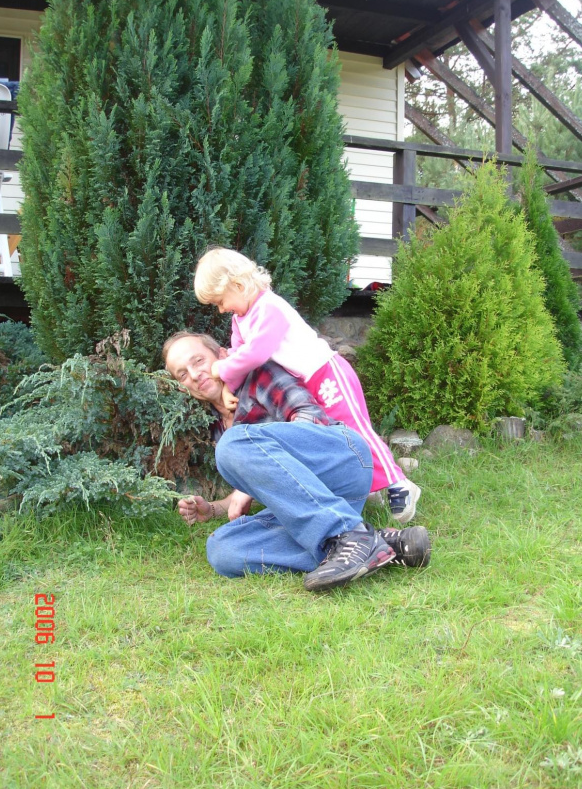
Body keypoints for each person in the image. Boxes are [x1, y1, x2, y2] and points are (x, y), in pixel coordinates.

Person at [163, 331, 431, 592]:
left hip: (341, 458)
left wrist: (241, 467)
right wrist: (212, 510)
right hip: (324, 504)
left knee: (231, 446)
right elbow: (278, 487)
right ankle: (377, 543)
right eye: (182, 374)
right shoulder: (218, 427)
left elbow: (309, 417)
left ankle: (347, 535)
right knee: (223, 550)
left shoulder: (257, 375)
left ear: (222, 355)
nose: (194, 374)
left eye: (198, 361)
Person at [193, 246, 422, 524]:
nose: (220, 309)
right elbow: (240, 357)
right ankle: (368, 484)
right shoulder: (240, 320)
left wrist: (220, 369)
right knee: (334, 436)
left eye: (220, 301)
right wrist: (229, 385)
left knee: (356, 430)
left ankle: (399, 483)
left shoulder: (269, 307)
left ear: (238, 285)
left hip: (327, 373)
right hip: (306, 383)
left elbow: (255, 354)